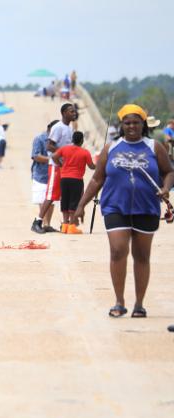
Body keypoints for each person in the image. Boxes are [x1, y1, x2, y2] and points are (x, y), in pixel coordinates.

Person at [74, 104, 174, 318]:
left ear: (143, 124)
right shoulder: (111, 148)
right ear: (121, 125)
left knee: (141, 256)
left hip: (146, 207)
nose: (131, 126)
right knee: (118, 251)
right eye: (127, 122)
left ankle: (139, 303)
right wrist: (81, 204)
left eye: (136, 122)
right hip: (115, 206)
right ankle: (119, 301)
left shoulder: (154, 146)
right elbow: (97, 179)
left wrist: (166, 188)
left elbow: (168, 172)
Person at [34, 103, 78, 232]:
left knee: (65, 195)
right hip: (55, 166)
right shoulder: (58, 127)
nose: (74, 113)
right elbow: (49, 146)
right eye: (71, 111)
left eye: (74, 111)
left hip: (65, 167)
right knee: (51, 195)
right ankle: (38, 222)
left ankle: (65, 224)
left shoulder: (69, 128)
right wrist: (63, 151)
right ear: (64, 113)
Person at [52, 131, 95, 234]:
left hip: (64, 178)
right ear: (82, 141)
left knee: (65, 201)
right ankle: (71, 226)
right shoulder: (85, 152)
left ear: (72, 139)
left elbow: (54, 156)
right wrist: (100, 165)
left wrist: (60, 164)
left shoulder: (64, 149)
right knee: (74, 202)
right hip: (77, 180)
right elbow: (91, 166)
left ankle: (64, 226)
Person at [30, 120, 59, 233]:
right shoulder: (39, 139)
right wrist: (52, 160)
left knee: (51, 199)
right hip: (40, 174)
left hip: (54, 173)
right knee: (42, 199)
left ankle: (47, 224)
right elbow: (35, 156)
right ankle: (40, 223)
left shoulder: (57, 140)